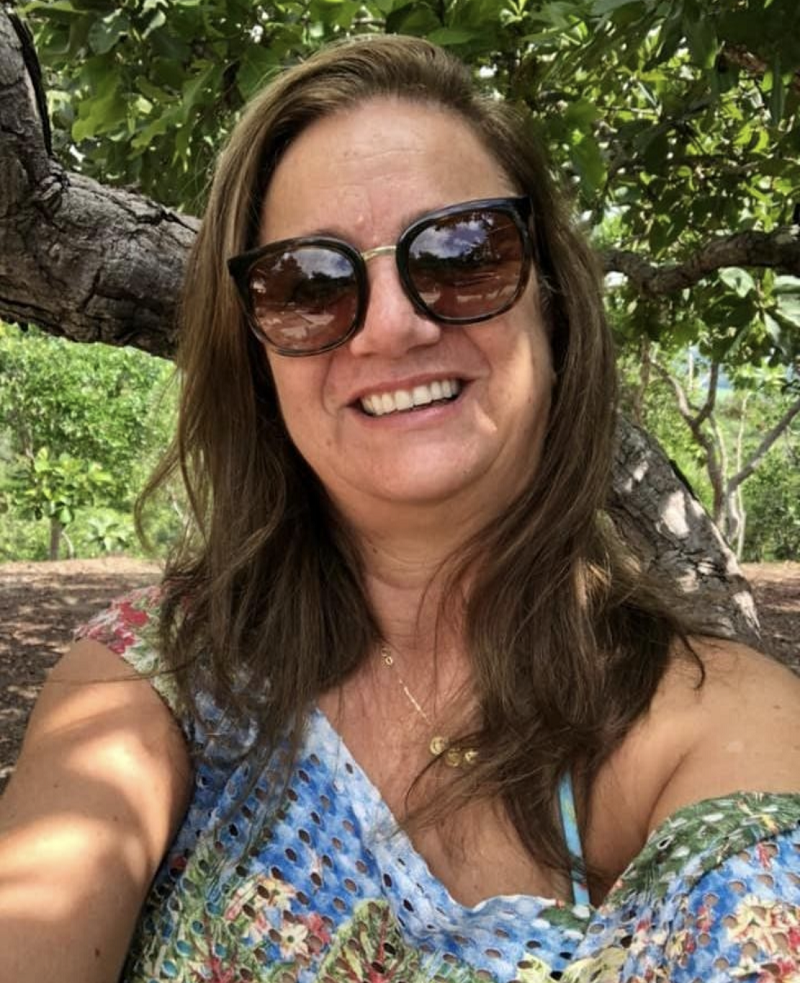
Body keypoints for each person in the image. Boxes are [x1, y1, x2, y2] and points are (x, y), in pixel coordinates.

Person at [1, 34, 799, 983]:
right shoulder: (143, 689)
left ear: (552, 306)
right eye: (309, 283)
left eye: (464, 253)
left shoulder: (727, 725)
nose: (393, 325)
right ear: (257, 358)